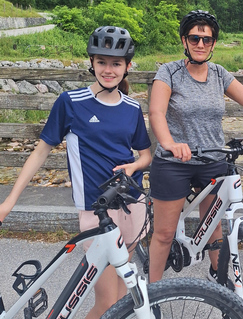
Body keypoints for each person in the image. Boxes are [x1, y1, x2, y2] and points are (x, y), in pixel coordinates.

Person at [0, 26, 152, 318]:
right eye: (102, 62)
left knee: (123, 299)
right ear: (92, 63)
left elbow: (145, 155)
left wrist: (135, 165)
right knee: (106, 301)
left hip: (132, 203)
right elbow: (41, 151)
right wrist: (9, 201)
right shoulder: (71, 103)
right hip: (96, 210)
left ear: (127, 67)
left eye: (116, 63)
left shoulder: (132, 107)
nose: (109, 69)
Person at [148, 10, 243, 284]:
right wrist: (169, 143)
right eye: (195, 38)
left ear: (214, 44)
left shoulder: (219, 74)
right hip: (174, 162)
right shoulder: (169, 72)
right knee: (165, 233)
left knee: (213, 223)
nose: (200, 44)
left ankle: (220, 277)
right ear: (184, 40)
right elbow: (156, 112)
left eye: (207, 39)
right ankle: (152, 292)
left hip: (213, 158)